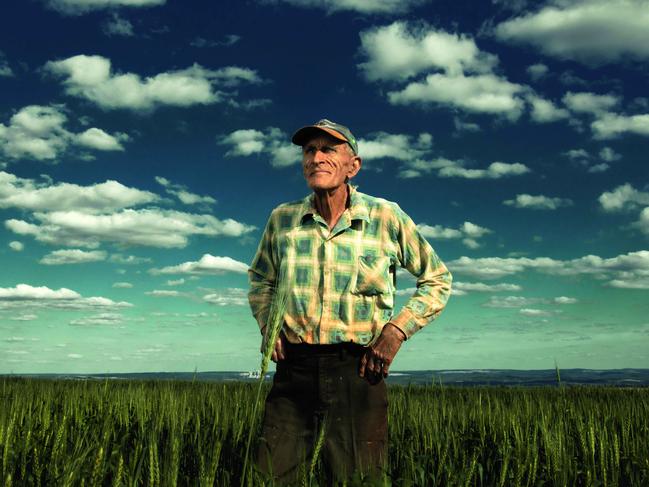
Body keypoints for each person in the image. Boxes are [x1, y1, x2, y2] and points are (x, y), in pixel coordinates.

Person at [248, 118, 452, 483]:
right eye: (309, 150)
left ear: (352, 166)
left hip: (358, 371)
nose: (316, 158)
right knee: (269, 477)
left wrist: (395, 332)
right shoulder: (283, 219)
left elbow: (436, 279)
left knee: (358, 479)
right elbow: (261, 279)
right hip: (293, 372)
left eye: (328, 149)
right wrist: (268, 323)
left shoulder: (385, 216)